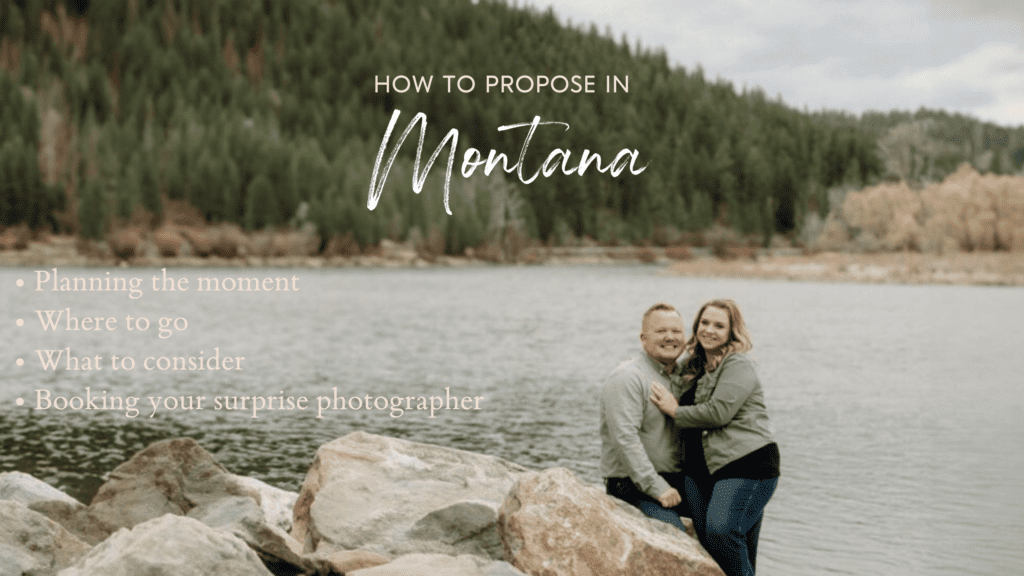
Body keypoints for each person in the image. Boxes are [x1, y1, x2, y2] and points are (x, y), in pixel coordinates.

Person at [649, 299, 780, 576]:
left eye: (719, 325)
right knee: (714, 543)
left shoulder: (738, 364)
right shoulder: (693, 365)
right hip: (700, 469)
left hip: (746, 464)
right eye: (704, 323)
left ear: (732, 332)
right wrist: (637, 365)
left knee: (721, 531)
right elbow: (664, 372)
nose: (710, 330)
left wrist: (676, 410)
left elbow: (719, 412)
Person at [600, 302, 691, 531]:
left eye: (676, 331)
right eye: (661, 331)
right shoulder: (628, 378)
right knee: (673, 536)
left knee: (724, 526)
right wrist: (657, 487)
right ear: (643, 338)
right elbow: (625, 439)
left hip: (678, 480)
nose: (670, 337)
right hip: (631, 484)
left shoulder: (684, 377)